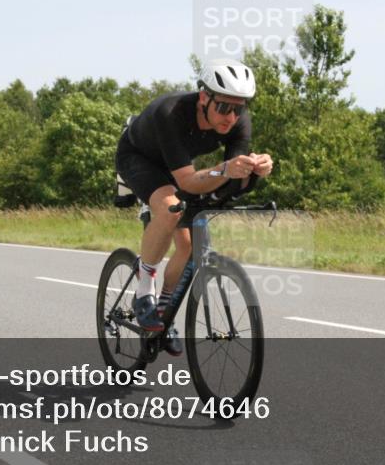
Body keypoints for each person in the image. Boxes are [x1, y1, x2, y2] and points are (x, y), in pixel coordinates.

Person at [115, 59, 274, 355]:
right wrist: (225, 168)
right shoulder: (172, 113)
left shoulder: (239, 123)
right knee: (169, 209)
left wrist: (253, 170)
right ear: (204, 97)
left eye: (238, 108)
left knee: (187, 247)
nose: (231, 116)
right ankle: (144, 292)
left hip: (179, 167)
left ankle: (163, 312)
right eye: (224, 107)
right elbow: (188, 182)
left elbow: (230, 179)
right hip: (140, 157)